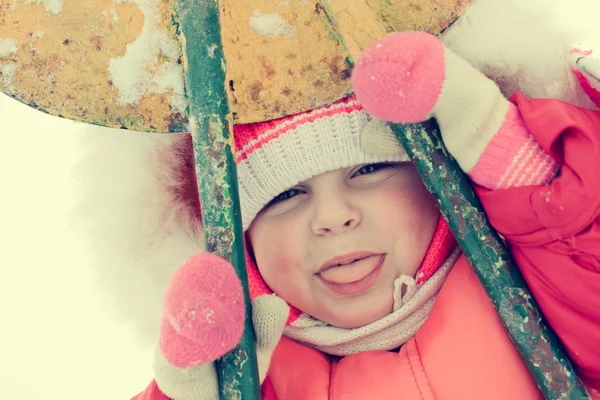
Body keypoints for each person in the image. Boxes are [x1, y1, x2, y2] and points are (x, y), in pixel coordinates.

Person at [132, 31, 600, 400]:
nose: (333, 218)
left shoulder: (541, 287)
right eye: (286, 195)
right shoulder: (260, 381)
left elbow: (583, 249)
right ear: (245, 238)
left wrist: (497, 142)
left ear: (436, 179)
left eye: (371, 169)